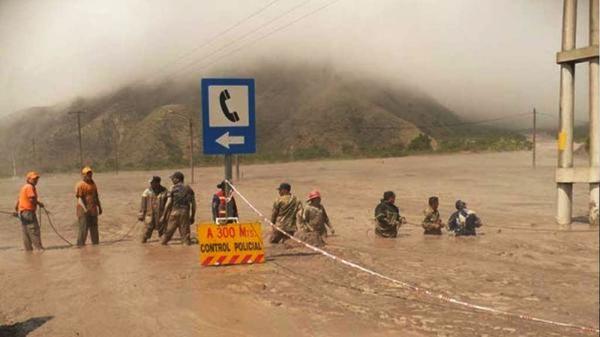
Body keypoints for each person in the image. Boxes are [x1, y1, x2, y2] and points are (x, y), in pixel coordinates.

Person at [160, 171, 196, 245]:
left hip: (174, 212)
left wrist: (163, 215)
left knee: (167, 234)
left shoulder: (172, 188)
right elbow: (194, 204)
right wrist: (192, 216)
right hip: (185, 213)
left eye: (173, 179)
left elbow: (168, 203)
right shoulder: (189, 188)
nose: (172, 180)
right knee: (185, 238)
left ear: (178, 179)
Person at [14, 171, 45, 251]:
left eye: (36, 179)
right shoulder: (29, 187)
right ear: (28, 179)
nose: (36, 180)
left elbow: (19, 199)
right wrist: (39, 203)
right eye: (34, 179)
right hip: (28, 212)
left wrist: (17, 209)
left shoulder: (24, 187)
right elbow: (32, 199)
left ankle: (28, 251)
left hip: (23, 212)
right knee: (34, 230)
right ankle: (39, 249)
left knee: (26, 232)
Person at [75, 166, 102, 246]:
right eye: (87, 174)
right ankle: (80, 246)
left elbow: (96, 197)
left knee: (94, 229)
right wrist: (85, 209)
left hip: (93, 210)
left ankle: (96, 246)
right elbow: (79, 199)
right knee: (83, 229)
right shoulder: (80, 185)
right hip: (83, 211)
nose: (89, 175)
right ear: (83, 175)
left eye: (90, 173)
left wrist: (99, 207)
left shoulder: (93, 184)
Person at [138, 176, 169, 243]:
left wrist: (167, 214)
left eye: (152, 182)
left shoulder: (165, 191)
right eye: (151, 183)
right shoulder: (147, 191)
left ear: (158, 183)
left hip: (160, 214)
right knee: (146, 231)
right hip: (149, 214)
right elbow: (143, 204)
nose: (151, 184)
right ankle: (144, 241)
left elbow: (168, 203)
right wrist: (141, 214)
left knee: (162, 231)